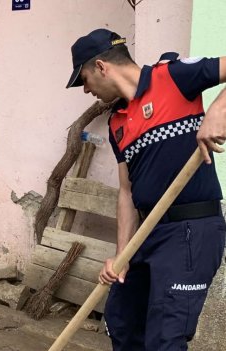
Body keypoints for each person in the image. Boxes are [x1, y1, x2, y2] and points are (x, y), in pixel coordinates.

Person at [67, 28, 226, 350]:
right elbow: (126, 192)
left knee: (164, 339)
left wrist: (218, 110)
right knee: (122, 324)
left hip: (189, 232)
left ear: (101, 66)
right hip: (145, 234)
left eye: (83, 79)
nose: (85, 90)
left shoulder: (174, 77)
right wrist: (121, 255)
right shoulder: (117, 122)